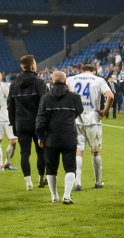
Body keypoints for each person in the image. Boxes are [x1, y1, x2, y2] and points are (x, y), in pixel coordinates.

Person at [35, 71, 83, 204]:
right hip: (69, 137)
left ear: (52, 81)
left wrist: (40, 136)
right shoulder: (74, 97)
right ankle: (67, 195)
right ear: (65, 81)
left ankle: (54, 196)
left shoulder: (45, 98)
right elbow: (79, 111)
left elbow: (40, 119)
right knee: (70, 167)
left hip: (51, 138)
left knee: (51, 168)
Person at [66, 64, 114, 191]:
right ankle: (98, 182)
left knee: (78, 151)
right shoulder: (98, 80)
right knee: (95, 151)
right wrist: (104, 111)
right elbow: (110, 96)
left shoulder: (71, 79)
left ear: (82, 70)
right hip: (93, 120)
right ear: (94, 71)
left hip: (76, 120)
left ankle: (78, 183)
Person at [8, 55, 48, 190]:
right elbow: (45, 103)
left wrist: (13, 124)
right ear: (32, 66)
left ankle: (28, 182)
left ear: (22, 66)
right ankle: (41, 179)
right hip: (38, 124)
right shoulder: (39, 82)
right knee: (41, 152)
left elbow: (10, 106)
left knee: (24, 153)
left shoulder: (14, 84)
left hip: (21, 124)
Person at [0, 73, 18, 171]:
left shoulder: (6, 87)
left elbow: (12, 101)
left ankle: (7, 162)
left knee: (13, 141)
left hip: (8, 118)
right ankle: (0, 164)